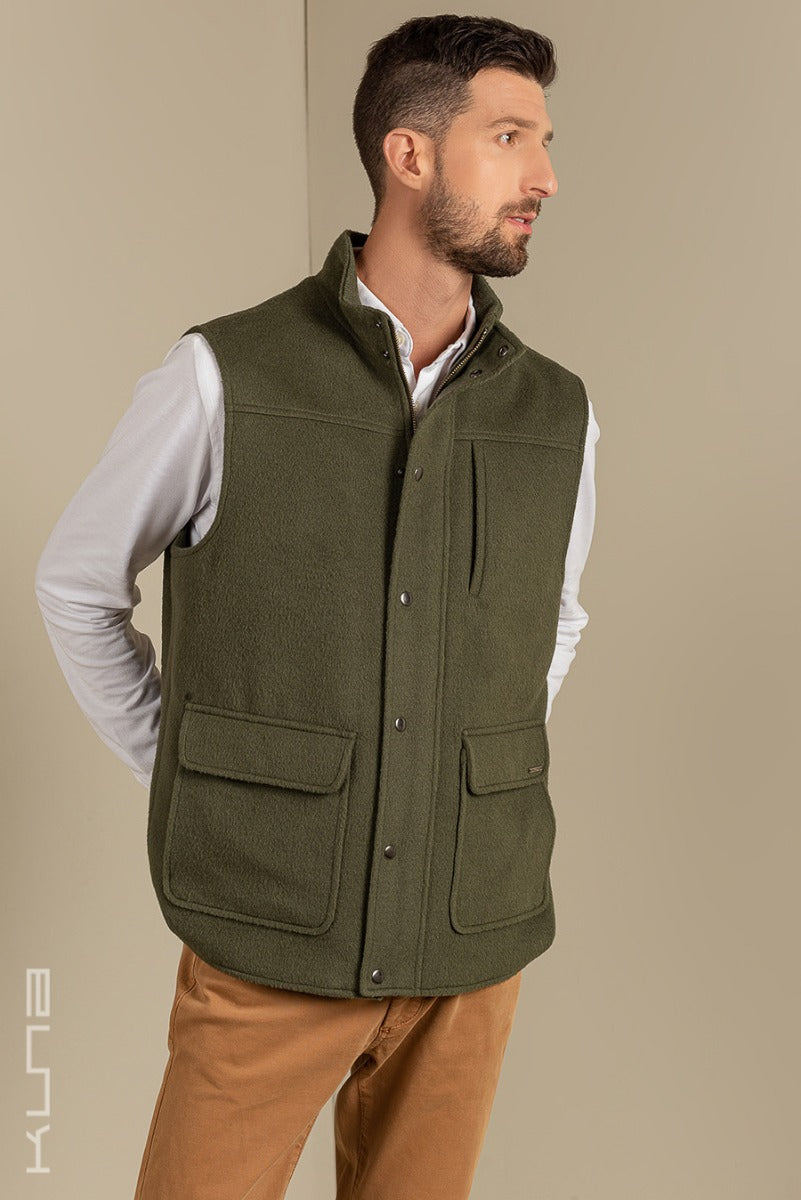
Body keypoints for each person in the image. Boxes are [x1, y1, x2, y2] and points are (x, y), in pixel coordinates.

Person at [34, 14, 600, 1200]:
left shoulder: (558, 413)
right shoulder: (223, 376)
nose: (546, 177)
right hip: (268, 932)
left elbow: (552, 621)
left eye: (544, 141)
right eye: (510, 138)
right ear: (410, 155)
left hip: (468, 942)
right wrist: (189, 768)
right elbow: (77, 584)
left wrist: (452, 777)